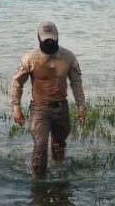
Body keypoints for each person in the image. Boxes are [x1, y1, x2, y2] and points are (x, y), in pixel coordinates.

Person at [11, 20, 87, 177]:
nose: (50, 42)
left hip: (62, 108)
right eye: (46, 40)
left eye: (52, 39)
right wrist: (16, 107)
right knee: (40, 146)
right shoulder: (30, 58)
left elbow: (76, 83)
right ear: (39, 38)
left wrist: (81, 106)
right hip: (39, 108)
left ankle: (59, 178)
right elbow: (17, 82)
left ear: (58, 37)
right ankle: (38, 184)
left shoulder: (68, 57)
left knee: (59, 146)